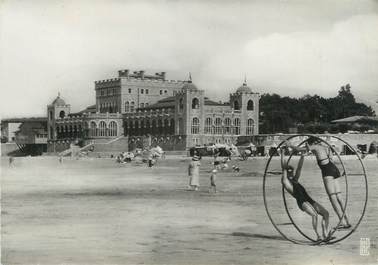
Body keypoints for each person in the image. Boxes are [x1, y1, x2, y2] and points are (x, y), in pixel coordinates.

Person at [289, 136, 351, 229]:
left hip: (327, 171)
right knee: (339, 197)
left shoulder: (315, 146)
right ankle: (347, 220)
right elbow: (331, 159)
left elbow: (298, 149)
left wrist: (290, 145)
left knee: (332, 198)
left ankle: (342, 222)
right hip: (334, 169)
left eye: (309, 144)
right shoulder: (324, 147)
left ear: (311, 143)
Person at [280, 149, 330, 241]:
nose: (292, 173)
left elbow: (299, 168)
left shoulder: (295, 180)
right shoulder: (286, 182)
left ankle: (325, 234)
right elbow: (283, 167)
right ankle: (318, 236)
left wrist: (302, 156)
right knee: (314, 215)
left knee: (326, 213)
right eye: (289, 172)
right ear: (286, 173)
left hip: (309, 200)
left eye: (292, 171)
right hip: (302, 202)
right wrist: (282, 153)